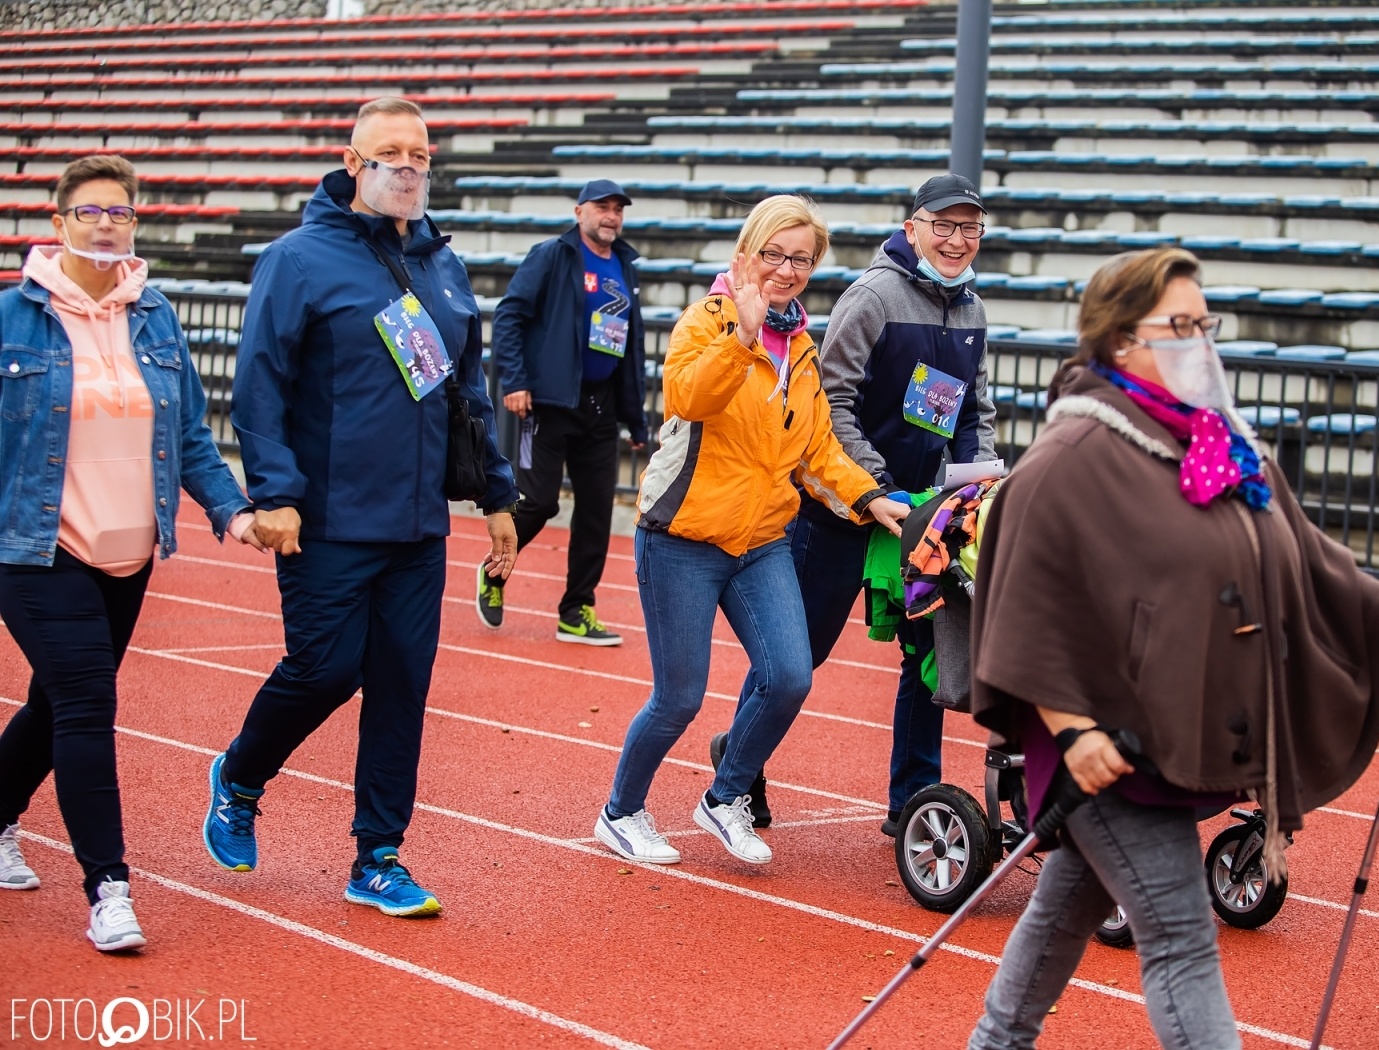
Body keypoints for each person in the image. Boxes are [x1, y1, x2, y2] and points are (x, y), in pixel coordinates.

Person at [964, 247, 1379, 1049]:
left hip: (1176, 730)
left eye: (1207, 324)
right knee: (1182, 939)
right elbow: (1023, 600)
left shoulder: (1222, 444)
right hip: (1111, 748)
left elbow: (1298, 556)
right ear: (1122, 339)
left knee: (1066, 906)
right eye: (1182, 326)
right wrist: (1071, 727)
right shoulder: (1073, 455)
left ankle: (996, 1042)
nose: (1202, 342)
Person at [204, 98, 518, 918]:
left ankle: (378, 856)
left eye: (420, 154)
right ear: (354, 164)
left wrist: (497, 495)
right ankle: (240, 776)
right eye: (390, 154)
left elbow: (465, 396)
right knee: (325, 669)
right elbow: (259, 387)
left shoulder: (442, 267)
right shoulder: (299, 259)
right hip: (329, 519)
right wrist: (272, 493)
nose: (408, 167)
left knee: (401, 685)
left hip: (417, 526)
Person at [595, 195, 910, 867]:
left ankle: (725, 796)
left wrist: (871, 499)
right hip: (682, 537)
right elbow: (688, 398)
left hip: (761, 542)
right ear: (746, 256)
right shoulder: (706, 321)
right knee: (679, 696)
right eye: (775, 254)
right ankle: (620, 812)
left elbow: (820, 449)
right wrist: (742, 337)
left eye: (802, 258)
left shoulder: (801, 347)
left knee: (790, 675)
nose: (787, 269)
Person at [0, 154, 263, 951]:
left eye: (121, 211)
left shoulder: (155, 316)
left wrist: (234, 511)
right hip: (36, 548)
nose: (107, 223)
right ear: (59, 222)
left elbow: (185, 434)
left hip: (130, 549)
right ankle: (108, 887)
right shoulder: (14, 318)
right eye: (91, 211)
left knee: (57, 702)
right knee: (87, 704)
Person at [715, 173, 997, 832]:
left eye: (969, 229)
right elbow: (831, 404)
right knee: (797, 654)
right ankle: (741, 767)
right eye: (943, 226)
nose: (956, 240)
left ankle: (913, 804)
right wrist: (872, 489)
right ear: (913, 230)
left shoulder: (974, 308)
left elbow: (972, 412)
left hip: (927, 515)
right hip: (844, 511)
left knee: (928, 657)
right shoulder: (872, 296)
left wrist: (968, 487)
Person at [480, 178, 649, 645]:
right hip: (549, 405)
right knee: (539, 502)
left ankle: (577, 611)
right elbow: (510, 316)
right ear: (580, 213)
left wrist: (636, 419)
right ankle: (494, 572)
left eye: (618, 208)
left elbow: (629, 346)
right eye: (602, 207)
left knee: (595, 512)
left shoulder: (624, 266)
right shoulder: (552, 256)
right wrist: (513, 380)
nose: (611, 215)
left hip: (601, 407)